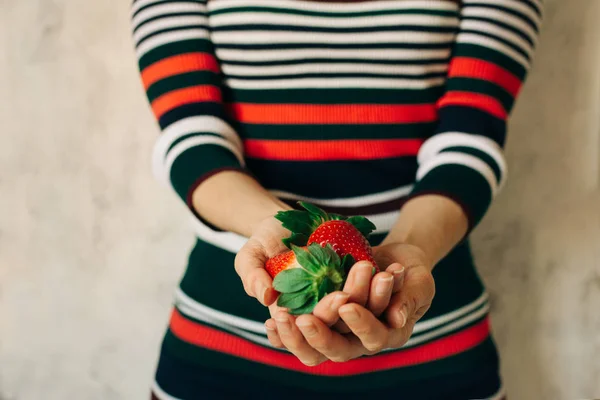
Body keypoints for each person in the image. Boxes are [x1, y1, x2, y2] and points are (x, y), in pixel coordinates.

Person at [131, 0, 542, 398]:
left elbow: (469, 142)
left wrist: (413, 249)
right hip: (222, 345)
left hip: (432, 333)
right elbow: (192, 139)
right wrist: (280, 228)